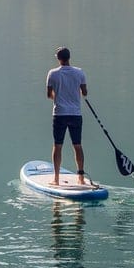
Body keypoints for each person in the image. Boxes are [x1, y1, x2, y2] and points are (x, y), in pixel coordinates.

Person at [44, 47, 90, 185]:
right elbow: (85, 92)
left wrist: (58, 97)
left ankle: (56, 179)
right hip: (76, 114)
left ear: (58, 59)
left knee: (58, 146)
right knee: (77, 145)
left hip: (59, 114)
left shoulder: (52, 73)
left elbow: (48, 95)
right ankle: (81, 178)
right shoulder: (79, 72)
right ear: (69, 57)